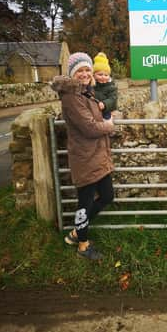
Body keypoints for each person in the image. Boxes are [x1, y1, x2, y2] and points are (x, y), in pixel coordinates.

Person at [52, 52, 115, 260]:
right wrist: (109, 126)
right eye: (80, 70)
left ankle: (76, 233)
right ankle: (83, 246)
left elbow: (97, 116)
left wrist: (106, 118)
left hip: (98, 156)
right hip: (85, 158)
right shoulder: (71, 97)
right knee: (85, 204)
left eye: (88, 69)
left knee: (107, 197)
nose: (85, 73)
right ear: (72, 74)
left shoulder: (87, 92)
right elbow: (89, 127)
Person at [93, 52, 118, 120]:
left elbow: (113, 99)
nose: (103, 77)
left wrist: (104, 104)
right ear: (94, 75)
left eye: (106, 75)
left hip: (107, 111)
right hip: (94, 111)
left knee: (106, 121)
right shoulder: (92, 86)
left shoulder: (112, 87)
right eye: (100, 74)